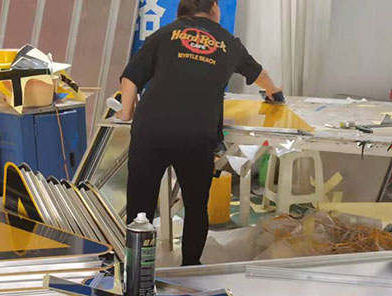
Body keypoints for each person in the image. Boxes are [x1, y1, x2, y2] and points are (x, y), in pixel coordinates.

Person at [118, 0, 282, 266]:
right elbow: (259, 74)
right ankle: (190, 268)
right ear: (214, 8)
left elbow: (131, 77)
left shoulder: (164, 34)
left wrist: (126, 112)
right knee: (195, 206)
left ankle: (136, 269)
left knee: (140, 207)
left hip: (151, 130)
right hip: (196, 134)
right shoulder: (228, 42)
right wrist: (274, 91)